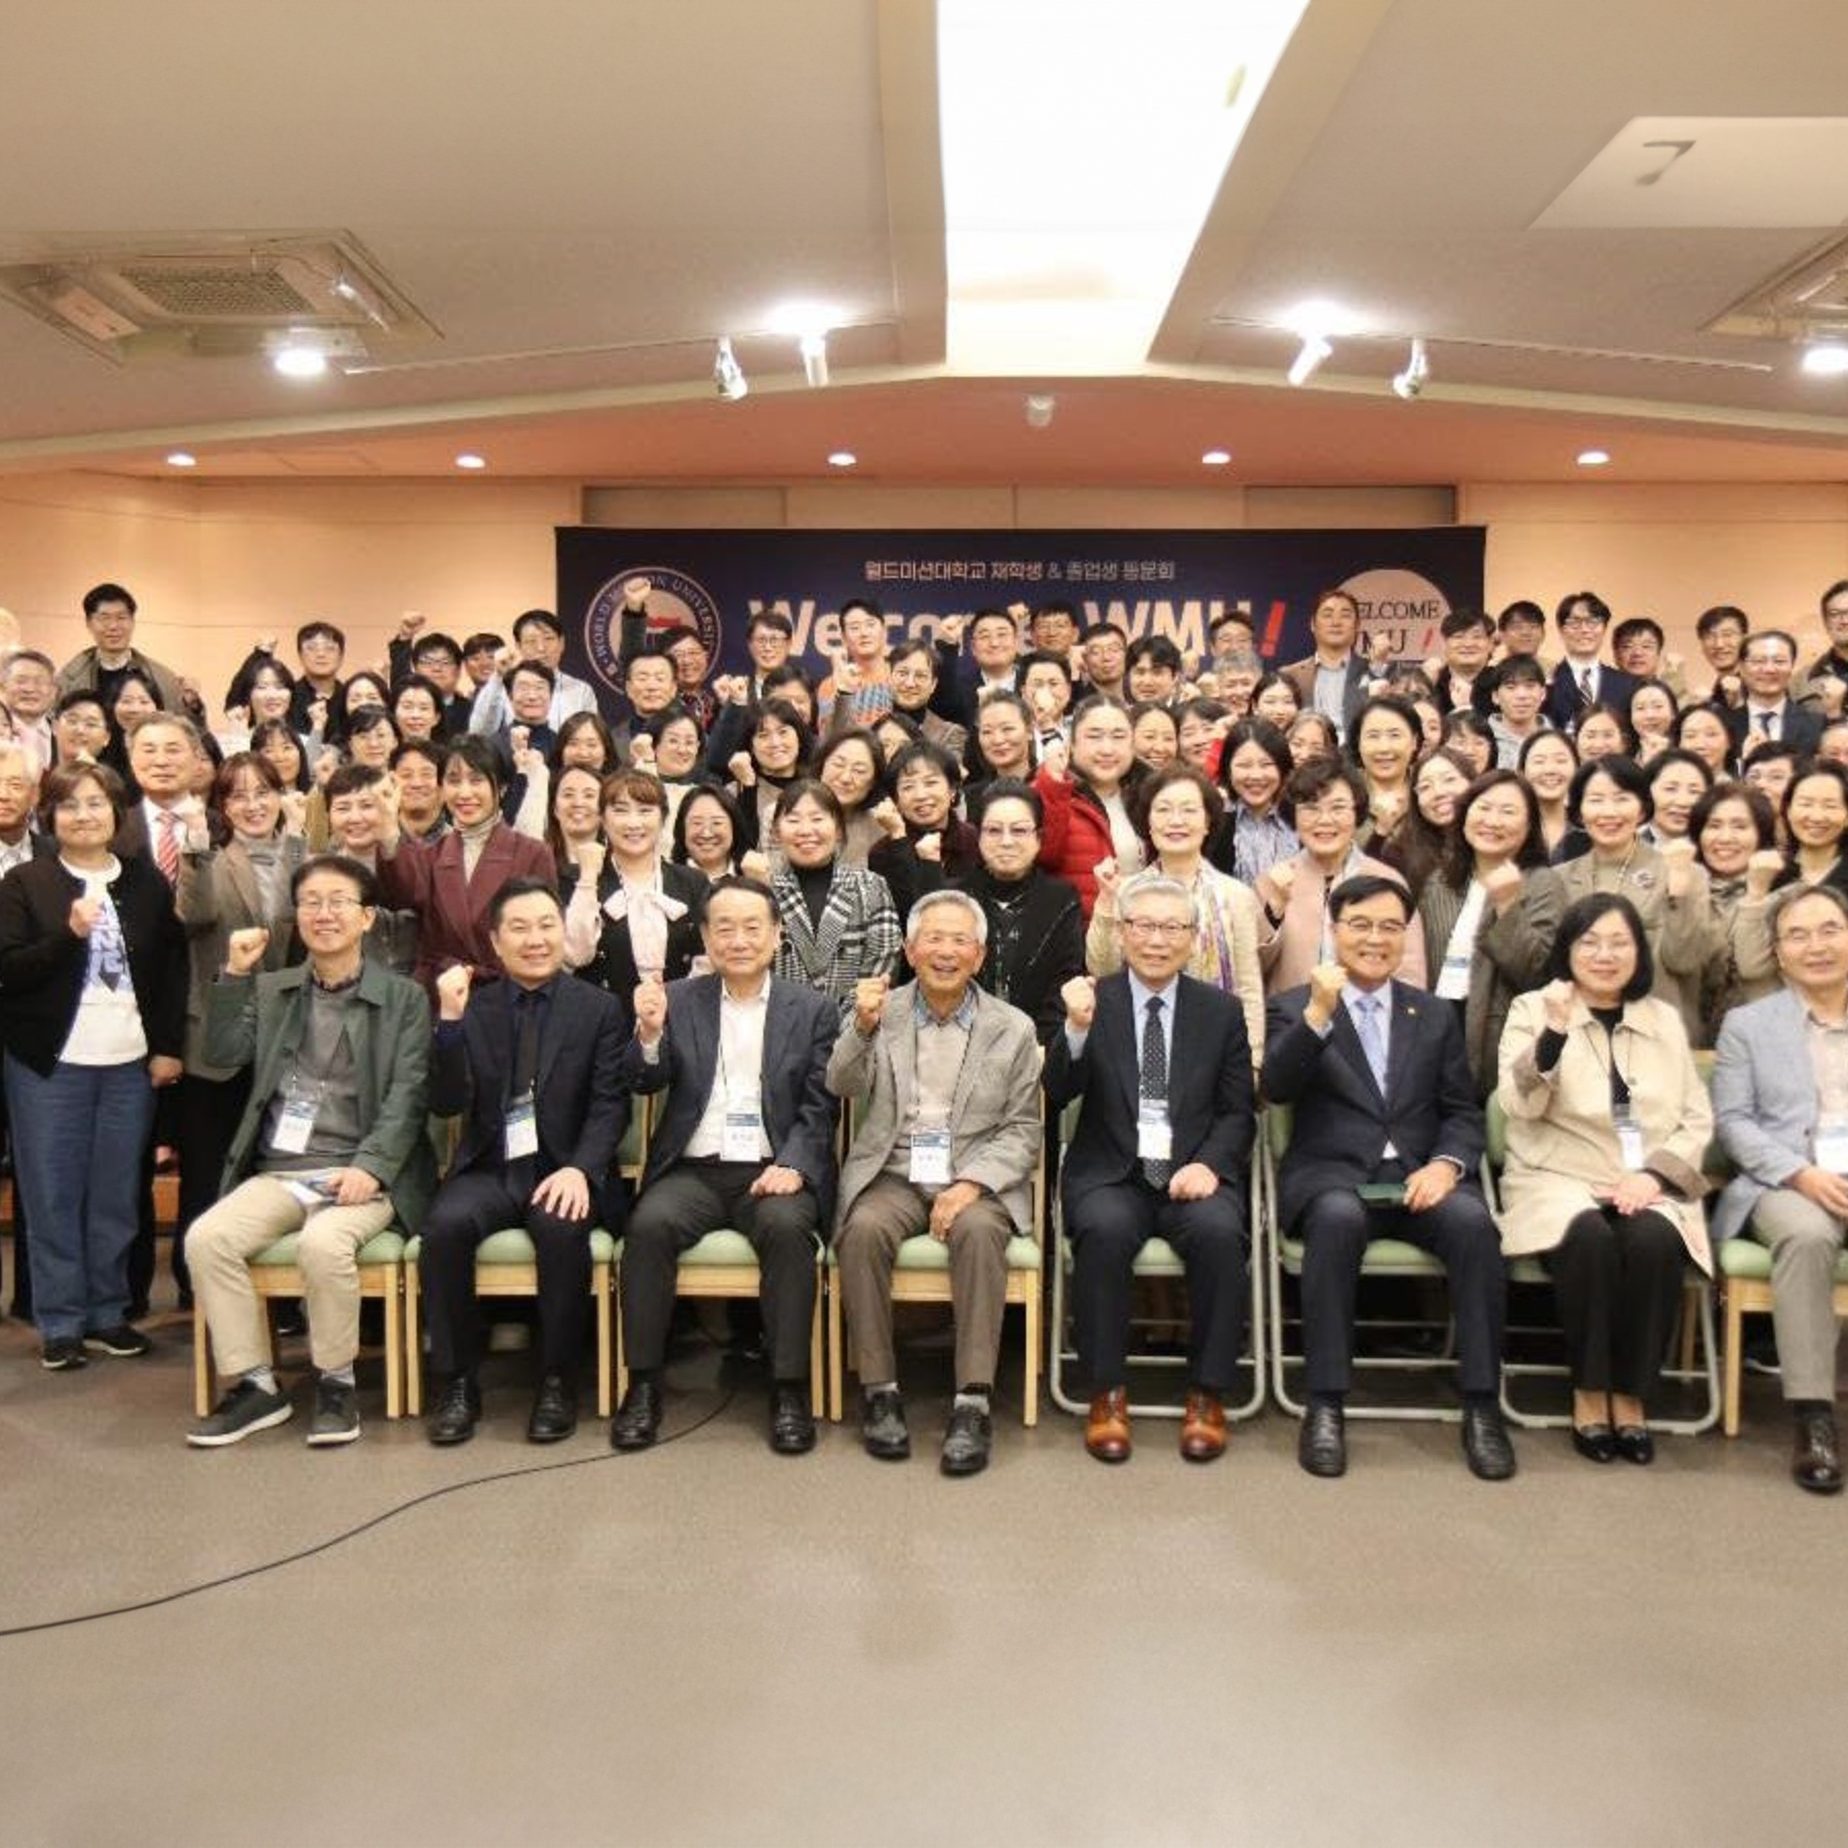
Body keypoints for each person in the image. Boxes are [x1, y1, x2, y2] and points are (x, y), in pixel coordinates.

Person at [1262, 874, 1514, 1481]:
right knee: (1336, 1220)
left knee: (1475, 1225)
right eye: (1360, 925)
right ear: (1334, 931)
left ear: (1405, 936)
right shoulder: (1294, 1006)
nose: (1375, 939)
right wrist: (1318, 1015)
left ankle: (1482, 1405)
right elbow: (1275, 1087)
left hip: (1421, 1178)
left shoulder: (1433, 1013)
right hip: (1334, 1177)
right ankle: (1325, 1404)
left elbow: (1461, 1111)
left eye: (1389, 927)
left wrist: (1446, 1165)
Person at [184, 855, 434, 1446]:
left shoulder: (403, 998)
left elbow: (409, 1094)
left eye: (338, 902)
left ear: (367, 918)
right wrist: (234, 974)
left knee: (324, 1244)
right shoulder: (274, 989)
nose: (324, 914)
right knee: (207, 1238)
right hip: (282, 1172)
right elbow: (222, 1054)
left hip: (362, 1172)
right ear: (296, 917)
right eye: (311, 903)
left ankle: (336, 1383)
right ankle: (256, 1386)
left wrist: (371, 1167)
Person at [611, 876, 841, 1456]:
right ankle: (643, 1385)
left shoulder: (813, 1010)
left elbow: (821, 1106)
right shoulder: (678, 999)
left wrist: (795, 1165)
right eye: (725, 928)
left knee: (788, 1229)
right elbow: (642, 1081)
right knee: (648, 1226)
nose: (739, 940)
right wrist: (649, 1035)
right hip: (694, 1169)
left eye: (752, 927)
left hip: (772, 1167)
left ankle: (788, 1388)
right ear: (707, 938)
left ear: (777, 935)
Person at [829, 890, 1042, 1476]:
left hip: (975, 1176)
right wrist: (861, 1028)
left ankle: (972, 1402)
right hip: (895, 1172)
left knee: (979, 1233)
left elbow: (1023, 1130)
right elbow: (841, 1084)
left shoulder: (1012, 1029)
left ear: (979, 956)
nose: (945, 951)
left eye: (959, 941)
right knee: (863, 1229)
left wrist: (970, 1184)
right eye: (934, 939)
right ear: (909, 950)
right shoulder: (881, 1011)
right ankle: (879, 1391)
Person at [1498, 894, 1714, 1465]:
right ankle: (1590, 1392)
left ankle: (1631, 1396)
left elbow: (1696, 1119)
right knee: (1590, 1237)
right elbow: (1517, 1104)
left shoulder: (1663, 1019)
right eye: (1589, 942)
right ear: (1567, 951)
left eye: (1620, 942)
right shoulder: (1533, 1008)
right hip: (1557, 1175)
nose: (1604, 954)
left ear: (1639, 951)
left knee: (1653, 1241)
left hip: (1647, 1178)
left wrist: (1653, 1176)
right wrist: (1553, 1033)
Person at [1047, 873, 1254, 1463]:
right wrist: (1075, 1030)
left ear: (1192, 938)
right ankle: (1106, 1392)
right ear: (1122, 932)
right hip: (1112, 1172)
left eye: (1172, 928)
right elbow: (1057, 1090)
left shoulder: (1220, 1011)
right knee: (1105, 1231)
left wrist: (1210, 1165)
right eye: (1144, 926)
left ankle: (1207, 1393)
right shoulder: (1094, 1000)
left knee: (1220, 1233)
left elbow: (1238, 1111)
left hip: (1193, 1171)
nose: (1157, 940)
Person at [421, 880, 631, 1447]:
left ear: (563, 932)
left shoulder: (599, 1008)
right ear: (495, 941)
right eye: (519, 928)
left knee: (562, 1230)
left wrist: (582, 1170)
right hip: (492, 1168)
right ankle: (457, 1382)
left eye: (546, 925)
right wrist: (448, 1023)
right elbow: (445, 1103)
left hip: (563, 1166)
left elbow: (610, 1106)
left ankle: (558, 1381)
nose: (535, 939)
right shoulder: (475, 1006)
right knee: (444, 1227)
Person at [0, 761, 185, 1368]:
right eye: (70, 805)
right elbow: (9, 969)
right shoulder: (26, 882)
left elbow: (170, 970)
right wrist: (69, 936)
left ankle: (108, 1311)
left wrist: (166, 1047)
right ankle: (60, 1321)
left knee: (115, 1194)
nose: (84, 815)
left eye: (96, 803)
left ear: (116, 812)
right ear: (50, 816)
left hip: (128, 1061)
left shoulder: (144, 882)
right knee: (52, 1194)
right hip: (49, 1063)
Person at [1712, 882, 1848, 1493]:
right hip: (1784, 1179)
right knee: (1809, 1234)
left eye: (1829, 930)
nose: (1816, 946)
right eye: (1798, 935)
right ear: (1778, 953)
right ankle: (1814, 1418)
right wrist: (1801, 1173)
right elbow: (1734, 1122)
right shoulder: (1748, 1024)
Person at [1086, 763, 1264, 1061]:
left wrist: (1253, 1061)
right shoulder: (1126, 891)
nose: (1176, 821)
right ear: (1148, 822)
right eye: (1164, 810)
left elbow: (1248, 987)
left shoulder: (1236, 896)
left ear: (1207, 822)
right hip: (1136, 1046)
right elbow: (1102, 970)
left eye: (1189, 810)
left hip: (1216, 1051)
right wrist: (1106, 902)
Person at [1555, 755, 1718, 1044]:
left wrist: (1678, 894)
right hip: (1580, 1037)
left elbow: (1686, 960)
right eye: (1596, 800)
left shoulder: (1683, 871)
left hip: (1660, 1036)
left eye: (1621, 799)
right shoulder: (1560, 879)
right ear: (1578, 811)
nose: (1609, 811)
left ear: (1643, 808)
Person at [375, 735, 557, 993]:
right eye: (453, 781)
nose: (464, 793)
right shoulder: (430, 855)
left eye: (476, 780)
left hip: (511, 995)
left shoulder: (532, 854)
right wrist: (388, 830)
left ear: (502, 787)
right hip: (442, 994)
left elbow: (544, 936)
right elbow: (398, 893)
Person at [1417, 770, 1562, 1093]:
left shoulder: (1543, 883)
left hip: (1496, 1041)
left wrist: (1507, 905)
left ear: (1529, 826)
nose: (1492, 821)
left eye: (1508, 811)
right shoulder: (1440, 881)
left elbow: (1538, 973)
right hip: (1437, 1027)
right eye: (1483, 807)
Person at [1255, 758, 1427, 994]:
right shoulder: (1272, 881)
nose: (1325, 820)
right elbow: (1252, 970)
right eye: (1311, 808)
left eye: (1338, 808)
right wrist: (1274, 911)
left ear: (1357, 813)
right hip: (1290, 1014)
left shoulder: (1386, 881)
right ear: (1294, 816)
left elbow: (1409, 973)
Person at [949, 780, 1084, 1043]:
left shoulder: (1061, 899)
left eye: (1019, 830)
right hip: (961, 1045)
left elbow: (1065, 979)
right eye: (994, 830)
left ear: (1039, 838)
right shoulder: (955, 898)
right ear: (978, 836)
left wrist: (1038, 1046)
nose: (1006, 842)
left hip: (1039, 1046)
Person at [560, 769, 707, 997]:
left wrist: (675, 1003)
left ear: (663, 818)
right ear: (602, 819)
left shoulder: (692, 881)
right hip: (603, 1015)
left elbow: (707, 958)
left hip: (679, 1011)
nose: (633, 823)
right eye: (620, 811)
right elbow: (575, 956)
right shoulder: (574, 879)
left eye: (645, 811)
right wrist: (588, 879)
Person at [767, 780, 902, 1016]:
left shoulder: (870, 886)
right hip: (779, 1027)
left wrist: (849, 1025)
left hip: (857, 1026)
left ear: (838, 829)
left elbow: (882, 966)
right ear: (776, 832)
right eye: (793, 820)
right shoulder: (763, 890)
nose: (806, 830)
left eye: (817, 819)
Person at [1036, 695, 1145, 918]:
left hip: (1142, 929)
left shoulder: (1149, 795)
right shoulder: (1049, 791)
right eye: (1094, 737)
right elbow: (1045, 856)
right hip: (1080, 930)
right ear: (1071, 745)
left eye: (1118, 737)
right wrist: (1054, 785)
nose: (1107, 749)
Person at [1690, 781, 1782, 1042]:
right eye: (1714, 825)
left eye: (1740, 826)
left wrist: (1756, 895)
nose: (1725, 838)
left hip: (1761, 1039)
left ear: (1761, 835)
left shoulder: (1785, 896)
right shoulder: (1681, 891)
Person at [54, 581, 186, 715]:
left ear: (132, 622)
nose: (113, 626)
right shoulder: (68, 678)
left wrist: (193, 705)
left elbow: (180, 723)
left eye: (121, 617)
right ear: (89, 623)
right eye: (104, 618)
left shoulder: (162, 677)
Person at [467, 609, 599, 737]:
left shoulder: (581, 691)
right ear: (518, 646)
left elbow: (592, 738)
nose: (541, 648)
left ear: (561, 643)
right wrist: (498, 677)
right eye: (531, 641)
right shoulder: (501, 687)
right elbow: (478, 733)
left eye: (548, 638)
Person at [1213, 717, 1298, 888]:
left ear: (1282, 767)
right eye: (1244, 765)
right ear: (1228, 768)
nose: (1256, 775)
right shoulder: (1215, 822)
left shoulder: (1300, 817)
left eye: (1266, 764)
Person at [1279, 589, 1370, 740]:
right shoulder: (1289, 675)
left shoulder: (1373, 672)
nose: (1336, 623)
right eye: (1327, 615)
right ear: (1313, 624)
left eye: (1345, 615)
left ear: (1357, 625)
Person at [1543, 591, 1637, 736]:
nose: (1585, 630)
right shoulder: (1546, 683)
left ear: (1604, 628)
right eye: (1574, 623)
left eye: (1593, 622)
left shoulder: (1627, 684)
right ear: (1561, 630)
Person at [1727, 629, 1824, 756]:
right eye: (1759, 661)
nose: (1769, 669)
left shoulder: (1816, 724)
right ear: (1741, 667)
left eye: (1779, 661)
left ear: (1792, 666)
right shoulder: (1723, 724)